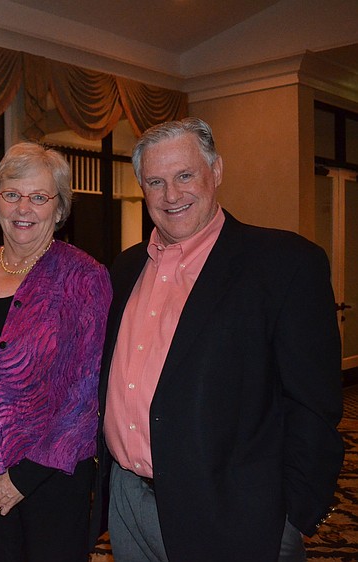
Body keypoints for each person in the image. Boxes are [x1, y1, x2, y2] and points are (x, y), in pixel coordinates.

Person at [95, 117, 344, 561]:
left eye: (185, 175)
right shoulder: (126, 267)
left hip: (234, 515)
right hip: (127, 499)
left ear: (217, 171)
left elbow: (314, 403)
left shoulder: (284, 264)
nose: (171, 195)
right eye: (156, 181)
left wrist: (292, 517)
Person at [0, 142, 112, 562]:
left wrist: (21, 480)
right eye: (12, 194)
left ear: (60, 208)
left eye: (39, 197)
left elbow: (85, 393)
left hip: (53, 478)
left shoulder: (84, 278)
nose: (23, 208)